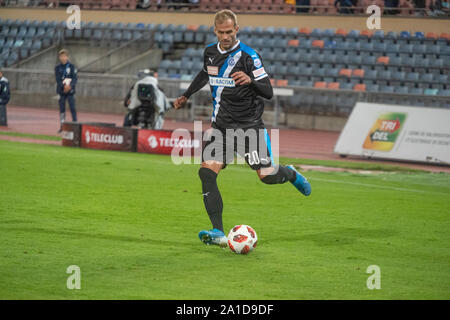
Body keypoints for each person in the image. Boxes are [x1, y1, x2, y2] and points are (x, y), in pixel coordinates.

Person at [173, 10, 311, 248]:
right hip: (222, 127)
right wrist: (186, 95)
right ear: (215, 31)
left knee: (267, 177)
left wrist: (251, 81)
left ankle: (290, 173)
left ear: (237, 29)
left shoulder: (250, 56)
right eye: (221, 32)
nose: (225, 36)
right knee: (206, 173)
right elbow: (205, 74)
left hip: (250, 128)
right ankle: (217, 232)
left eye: (229, 31)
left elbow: (268, 91)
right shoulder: (210, 52)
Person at [55, 49, 78, 133]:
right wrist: (63, 86)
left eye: (64, 56)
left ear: (67, 57)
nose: (63, 58)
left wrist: (70, 86)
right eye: (61, 56)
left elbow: (75, 78)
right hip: (61, 91)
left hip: (70, 91)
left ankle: (76, 125)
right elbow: (57, 79)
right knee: (62, 109)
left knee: (72, 108)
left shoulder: (72, 67)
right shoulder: (57, 68)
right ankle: (62, 126)